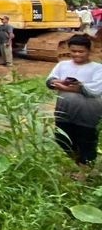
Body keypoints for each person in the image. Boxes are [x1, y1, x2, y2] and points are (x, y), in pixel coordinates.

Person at [47, 33, 102, 164]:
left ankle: (84, 172)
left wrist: (66, 87)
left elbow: (94, 90)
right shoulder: (62, 65)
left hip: (88, 114)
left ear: (89, 51)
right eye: (73, 51)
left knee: (86, 142)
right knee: (63, 139)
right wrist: (58, 82)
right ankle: (76, 163)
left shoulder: (98, 68)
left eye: (81, 51)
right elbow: (50, 81)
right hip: (64, 112)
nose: (77, 54)